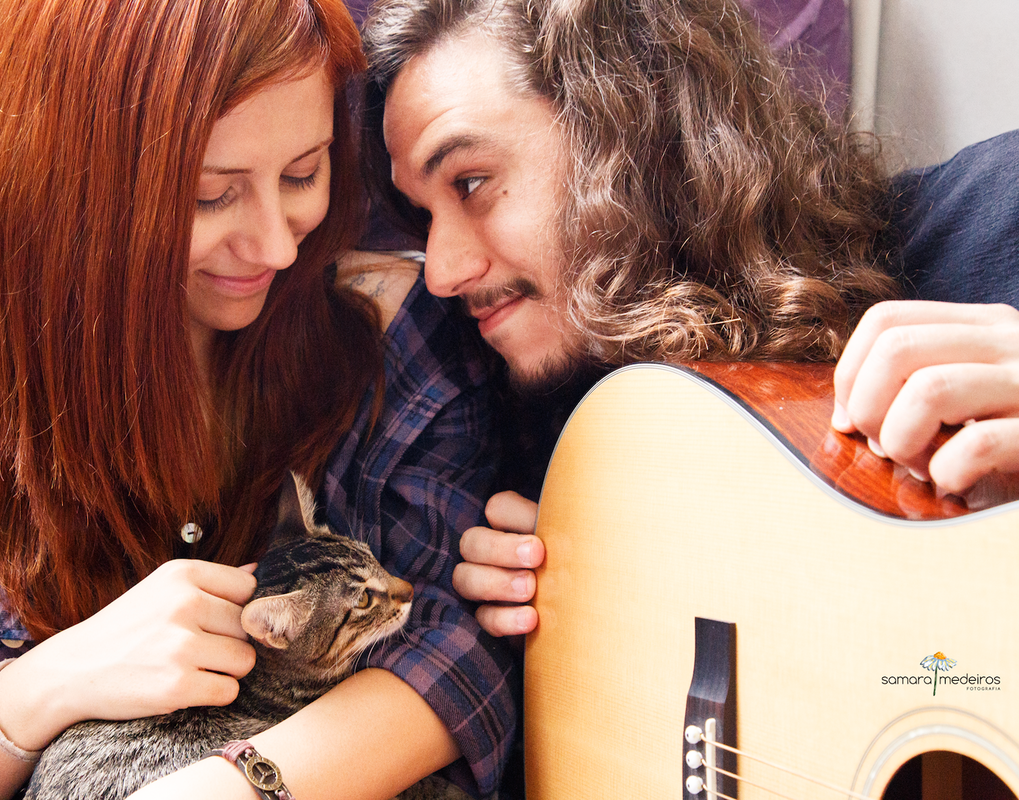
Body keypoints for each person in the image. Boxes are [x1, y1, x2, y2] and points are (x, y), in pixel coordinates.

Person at [0, 1, 517, 799]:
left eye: (302, 174)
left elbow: (473, 644)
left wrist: (239, 785)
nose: (277, 246)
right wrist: (43, 689)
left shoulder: (394, 334)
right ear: (73, 189)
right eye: (210, 195)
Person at [358, 0, 1019, 638]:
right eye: (422, 216)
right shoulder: (524, 438)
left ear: (627, 126)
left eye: (470, 184)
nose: (442, 272)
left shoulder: (991, 223)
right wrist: (559, 664)